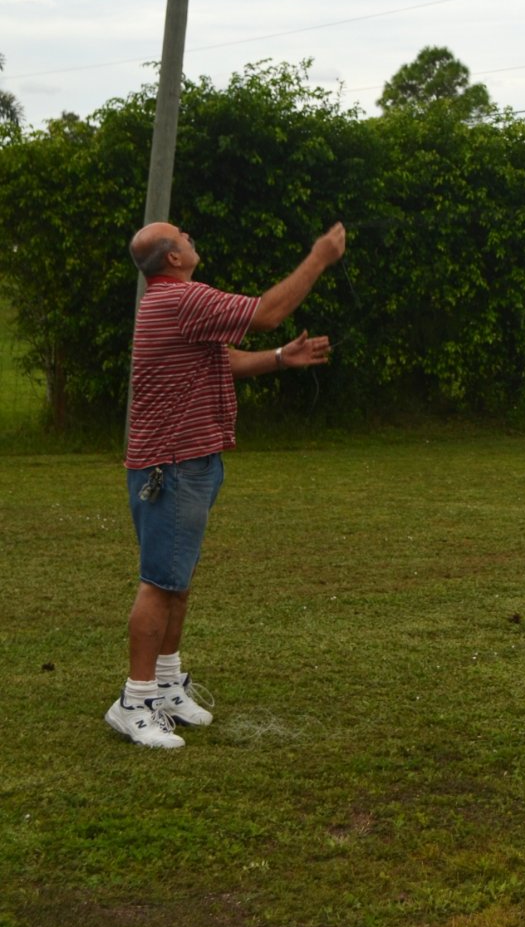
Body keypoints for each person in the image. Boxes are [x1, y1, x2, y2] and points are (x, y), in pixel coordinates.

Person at [107, 218, 346, 750]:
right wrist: (319, 257)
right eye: (182, 234)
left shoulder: (174, 303)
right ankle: (134, 701)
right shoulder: (180, 299)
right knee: (160, 583)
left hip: (190, 462)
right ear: (172, 257)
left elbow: (223, 360)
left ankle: (166, 684)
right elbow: (266, 313)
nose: (190, 235)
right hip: (171, 465)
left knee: (177, 578)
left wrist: (281, 358)